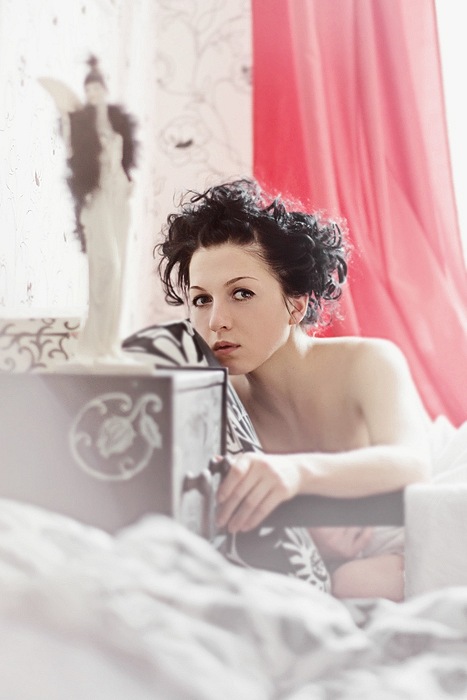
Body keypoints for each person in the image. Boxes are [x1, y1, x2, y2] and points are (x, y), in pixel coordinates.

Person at [157, 179, 432, 601]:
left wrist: (296, 474)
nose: (216, 322)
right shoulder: (217, 398)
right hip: (318, 559)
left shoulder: (367, 361)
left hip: (399, 524)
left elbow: (413, 463)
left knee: (362, 582)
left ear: (296, 304)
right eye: (201, 299)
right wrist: (307, 521)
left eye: (241, 293)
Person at [42, 56, 138, 363]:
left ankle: (110, 343)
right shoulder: (81, 125)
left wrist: (127, 181)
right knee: (106, 266)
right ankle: (93, 344)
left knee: (120, 271)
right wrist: (67, 117)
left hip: (119, 199)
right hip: (97, 199)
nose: (93, 94)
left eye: (97, 88)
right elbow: (75, 156)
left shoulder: (116, 122)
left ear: (105, 90)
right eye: (89, 90)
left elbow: (124, 161)